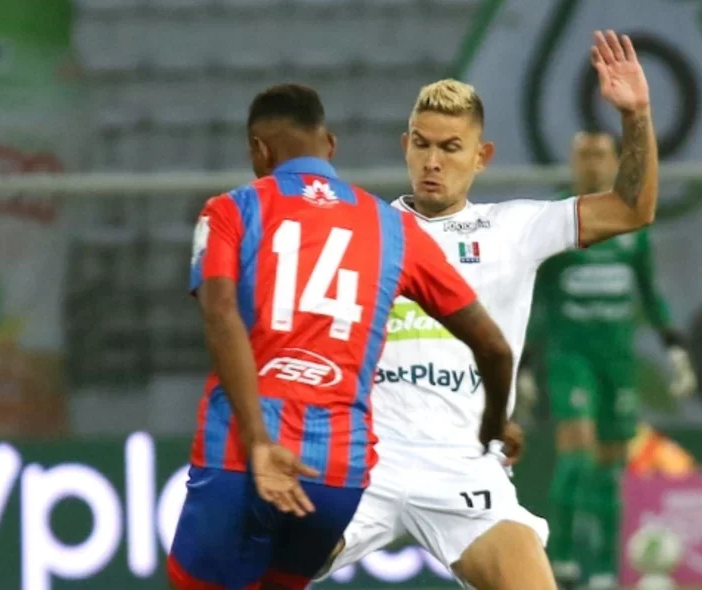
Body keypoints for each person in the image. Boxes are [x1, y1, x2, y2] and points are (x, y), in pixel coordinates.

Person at [319, 31, 659, 590]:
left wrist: (637, 114)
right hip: (364, 467)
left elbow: (631, 209)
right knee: (248, 573)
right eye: (422, 144)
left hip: (465, 470)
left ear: (481, 157)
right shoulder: (363, 230)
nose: (432, 161)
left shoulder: (514, 228)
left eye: (450, 148)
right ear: (405, 144)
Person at [166, 84, 517, 590]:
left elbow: (221, 316)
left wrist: (260, 442)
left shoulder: (229, 211)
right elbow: (495, 348)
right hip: (335, 472)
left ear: (259, 151)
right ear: (329, 146)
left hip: (243, 456)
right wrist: (492, 424)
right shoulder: (394, 229)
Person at [523, 131, 697, 590]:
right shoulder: (557, 222)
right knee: (576, 455)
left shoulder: (630, 224)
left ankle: (603, 569)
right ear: (573, 161)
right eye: (584, 154)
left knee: (611, 467)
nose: (592, 163)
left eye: (601, 154)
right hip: (569, 356)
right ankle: (560, 562)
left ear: (616, 161)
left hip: (617, 361)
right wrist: (523, 365)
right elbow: (533, 300)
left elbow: (649, 291)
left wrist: (675, 346)